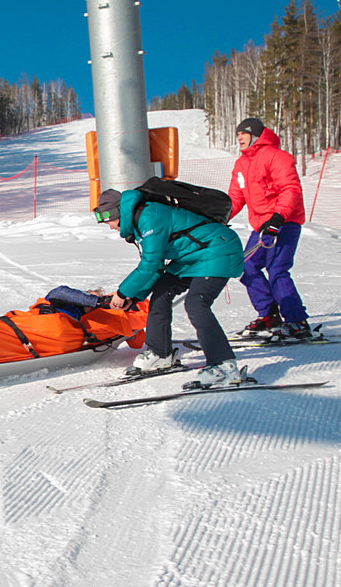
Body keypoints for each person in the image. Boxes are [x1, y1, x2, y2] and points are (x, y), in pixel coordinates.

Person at [95, 187, 245, 388]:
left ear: (117, 213)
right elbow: (155, 266)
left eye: (109, 221)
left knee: (196, 304)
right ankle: (160, 354)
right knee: (161, 294)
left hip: (217, 249)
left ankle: (224, 366)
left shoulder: (149, 216)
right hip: (191, 257)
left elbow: (149, 264)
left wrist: (123, 293)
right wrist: (134, 296)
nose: (111, 227)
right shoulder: (140, 220)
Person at [228, 117, 311, 338]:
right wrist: (220, 217)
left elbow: (290, 189)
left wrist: (277, 218)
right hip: (261, 227)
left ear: (255, 135)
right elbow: (236, 197)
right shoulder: (241, 164)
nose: (239, 138)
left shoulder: (277, 157)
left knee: (276, 269)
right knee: (245, 266)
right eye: (237, 135)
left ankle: (297, 322)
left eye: (243, 134)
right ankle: (269, 315)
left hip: (283, 222)